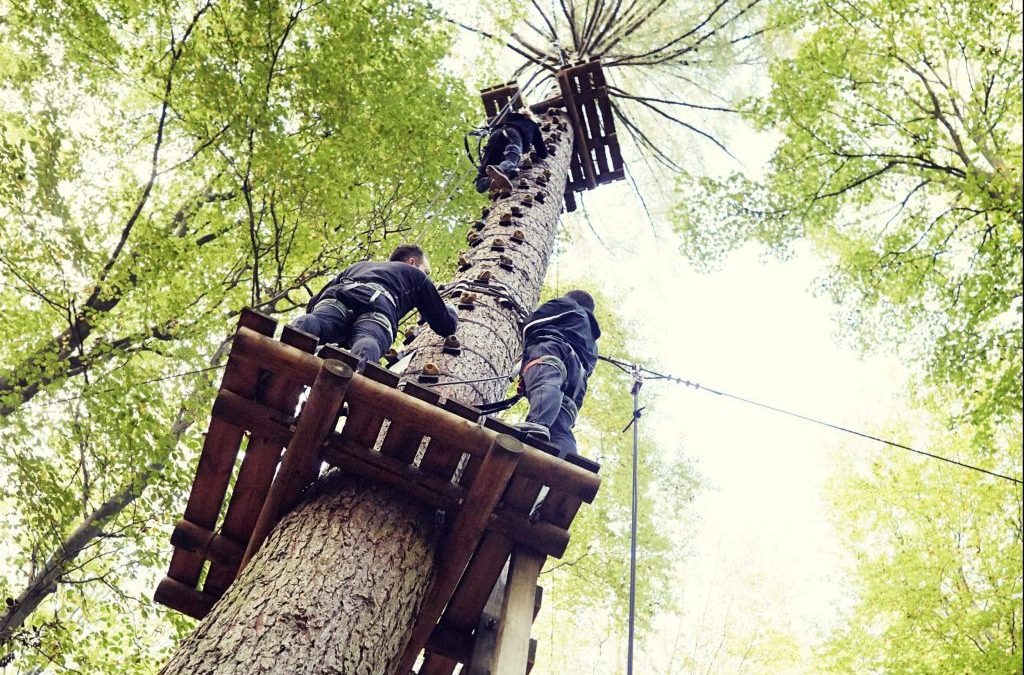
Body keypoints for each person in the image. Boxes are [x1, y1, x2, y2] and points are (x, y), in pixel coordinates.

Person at [291, 244, 457, 364]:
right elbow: (444, 325)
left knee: (316, 320)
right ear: (412, 263)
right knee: (368, 339)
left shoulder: (359, 266)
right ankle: (354, 379)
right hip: (378, 304)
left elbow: (315, 301)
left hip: (338, 295)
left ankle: (290, 343)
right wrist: (452, 312)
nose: (427, 276)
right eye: (426, 271)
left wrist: (321, 319)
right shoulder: (414, 275)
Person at [515, 290, 601, 458]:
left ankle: (536, 424)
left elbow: (530, 324)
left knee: (546, 381)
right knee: (560, 424)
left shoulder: (567, 305)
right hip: (578, 380)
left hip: (554, 349)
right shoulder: (593, 343)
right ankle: (567, 458)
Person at [475, 109, 548, 193]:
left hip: (496, 133)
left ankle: (482, 183)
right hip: (514, 134)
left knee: (488, 159)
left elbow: (506, 115)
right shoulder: (533, 125)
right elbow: (542, 152)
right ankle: (501, 169)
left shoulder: (512, 117)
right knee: (513, 155)